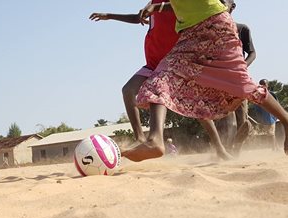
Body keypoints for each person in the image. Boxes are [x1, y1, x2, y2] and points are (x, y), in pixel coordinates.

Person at [122, 0, 288, 162]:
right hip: (190, 34)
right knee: (160, 77)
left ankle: (286, 120)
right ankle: (155, 140)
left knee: (243, 85)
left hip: (216, 25)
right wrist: (157, 6)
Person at [90, 1, 231, 160]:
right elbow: (138, 18)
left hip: (174, 62)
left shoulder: (175, 3)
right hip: (153, 64)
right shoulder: (153, 3)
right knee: (128, 90)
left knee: (196, 109)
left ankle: (219, 148)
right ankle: (140, 139)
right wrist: (109, 16)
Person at [216, 0, 257, 154]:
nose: (219, 4)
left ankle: (237, 146)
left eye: (223, 1)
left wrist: (242, 67)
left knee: (242, 118)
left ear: (232, 6)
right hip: (219, 79)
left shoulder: (242, 28)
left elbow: (252, 53)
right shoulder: (212, 30)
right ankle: (225, 149)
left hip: (238, 78)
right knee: (224, 117)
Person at [251, 79, 279, 151]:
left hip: (272, 116)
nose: (263, 86)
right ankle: (277, 147)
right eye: (261, 84)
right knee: (270, 133)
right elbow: (256, 106)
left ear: (267, 85)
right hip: (263, 117)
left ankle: (274, 149)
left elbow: (277, 105)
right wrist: (258, 116)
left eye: (264, 84)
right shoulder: (257, 95)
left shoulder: (272, 94)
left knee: (271, 133)